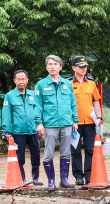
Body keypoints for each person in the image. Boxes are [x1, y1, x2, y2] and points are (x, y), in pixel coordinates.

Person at [34, 55, 79, 190]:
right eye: (50, 64)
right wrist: (39, 123)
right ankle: (51, 181)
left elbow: (73, 104)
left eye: (55, 64)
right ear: (47, 67)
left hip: (66, 123)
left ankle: (64, 180)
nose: (52, 66)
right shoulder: (41, 85)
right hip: (49, 124)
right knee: (49, 153)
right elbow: (37, 105)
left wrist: (75, 120)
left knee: (66, 152)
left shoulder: (67, 84)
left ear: (60, 67)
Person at [2, 70, 43, 185]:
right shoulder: (9, 96)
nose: (21, 81)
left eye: (23, 79)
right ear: (14, 81)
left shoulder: (32, 95)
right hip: (17, 132)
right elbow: (6, 114)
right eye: (18, 79)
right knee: (20, 157)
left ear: (27, 80)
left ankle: (36, 178)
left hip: (32, 131)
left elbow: (37, 111)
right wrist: (8, 131)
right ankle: (22, 179)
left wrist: (39, 123)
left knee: (36, 155)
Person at [70, 56, 102, 185]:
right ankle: (78, 176)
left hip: (89, 122)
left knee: (90, 149)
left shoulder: (91, 83)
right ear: (74, 68)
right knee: (75, 150)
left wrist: (99, 117)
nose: (84, 69)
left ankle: (89, 175)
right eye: (81, 67)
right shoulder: (68, 84)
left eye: (85, 67)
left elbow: (95, 101)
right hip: (75, 124)